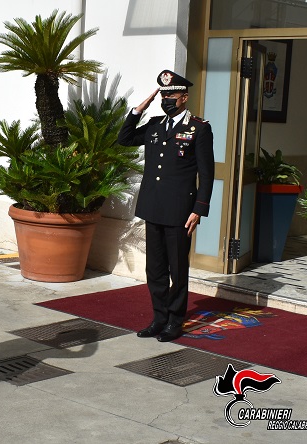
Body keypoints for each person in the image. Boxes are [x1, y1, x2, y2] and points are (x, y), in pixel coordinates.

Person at [117, 70, 214, 342]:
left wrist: (199, 209)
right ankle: (159, 318)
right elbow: (124, 139)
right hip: (153, 207)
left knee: (177, 268)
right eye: (162, 95)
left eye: (171, 94)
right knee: (155, 269)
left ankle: (175, 320)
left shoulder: (200, 128)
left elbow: (206, 174)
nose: (166, 99)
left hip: (180, 211)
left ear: (184, 97)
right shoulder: (155, 125)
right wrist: (138, 110)